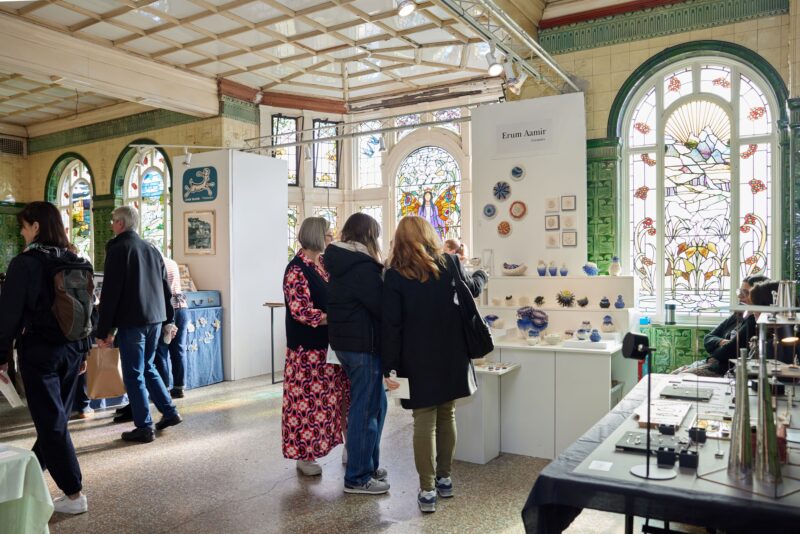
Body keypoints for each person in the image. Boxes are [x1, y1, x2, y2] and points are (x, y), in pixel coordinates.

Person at [382, 216, 487, 513]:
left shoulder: (394, 276)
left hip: (416, 358)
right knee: (447, 414)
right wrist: (482, 276)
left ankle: (427, 490)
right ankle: (445, 479)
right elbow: (472, 290)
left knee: (423, 421)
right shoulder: (450, 264)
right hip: (452, 353)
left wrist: (389, 368)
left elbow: (391, 326)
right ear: (429, 235)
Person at [0, 201, 89, 514]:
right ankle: (31, 474)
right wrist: (85, 350)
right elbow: (87, 308)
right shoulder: (76, 258)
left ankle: (75, 494)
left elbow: (8, 315)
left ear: (36, 226)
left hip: (40, 353)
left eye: (24, 226)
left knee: (51, 424)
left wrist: (2, 356)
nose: (22, 232)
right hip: (73, 349)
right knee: (56, 420)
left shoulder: (25, 264)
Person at [96, 206, 182, 443]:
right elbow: (164, 287)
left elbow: (111, 293)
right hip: (154, 318)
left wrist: (103, 330)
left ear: (121, 224)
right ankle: (170, 411)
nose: (112, 224)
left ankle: (144, 426)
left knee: (134, 373)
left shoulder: (117, 248)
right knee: (148, 366)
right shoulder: (151, 248)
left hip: (132, 320)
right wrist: (168, 319)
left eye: (113, 221)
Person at [325, 213, 388, 495]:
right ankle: (358, 477)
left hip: (346, 343)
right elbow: (381, 306)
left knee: (375, 404)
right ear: (368, 236)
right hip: (362, 344)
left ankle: (368, 464)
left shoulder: (340, 261)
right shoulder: (362, 267)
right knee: (365, 410)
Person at [282, 217, 349, 476]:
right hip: (306, 351)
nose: (331, 237)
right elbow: (301, 312)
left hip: (328, 348)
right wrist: (336, 318)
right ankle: (304, 456)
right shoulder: (296, 269)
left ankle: (348, 446)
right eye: (328, 233)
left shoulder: (322, 264)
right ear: (316, 236)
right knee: (306, 405)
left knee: (337, 400)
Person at [687, 274, 770, 376]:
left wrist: (717, 349)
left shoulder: (754, 321)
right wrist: (722, 342)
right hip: (711, 362)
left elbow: (729, 351)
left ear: (757, 296)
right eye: (740, 292)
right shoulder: (738, 314)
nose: (740, 296)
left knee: (680, 378)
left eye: (745, 293)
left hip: (723, 369)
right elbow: (707, 338)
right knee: (673, 375)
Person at [152, 247, 189, 399]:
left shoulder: (155, 264)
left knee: (160, 350)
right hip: (182, 307)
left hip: (166, 309)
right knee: (178, 349)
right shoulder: (172, 262)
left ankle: (164, 387)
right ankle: (179, 387)